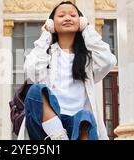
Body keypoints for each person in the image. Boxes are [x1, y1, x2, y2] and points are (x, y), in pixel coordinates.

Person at [21, 1, 117, 140]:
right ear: (52, 23)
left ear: (81, 21)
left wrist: (88, 30)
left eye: (73, 15)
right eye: (61, 15)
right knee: (36, 91)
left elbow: (108, 60)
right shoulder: (47, 54)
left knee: (86, 116)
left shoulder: (88, 60)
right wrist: (46, 35)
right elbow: (32, 70)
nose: (67, 18)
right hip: (47, 125)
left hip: (77, 124)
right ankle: (59, 137)